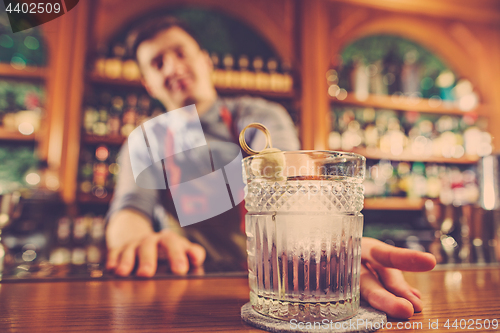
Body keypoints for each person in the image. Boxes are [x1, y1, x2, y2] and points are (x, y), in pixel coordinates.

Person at [105, 17, 436, 319]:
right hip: (194, 289)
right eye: (157, 63)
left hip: (282, 280)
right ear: (148, 83)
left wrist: (330, 248)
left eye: (180, 54)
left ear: (206, 62)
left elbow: (293, 179)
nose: (172, 68)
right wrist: (137, 245)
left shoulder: (257, 113)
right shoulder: (147, 141)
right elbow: (128, 211)